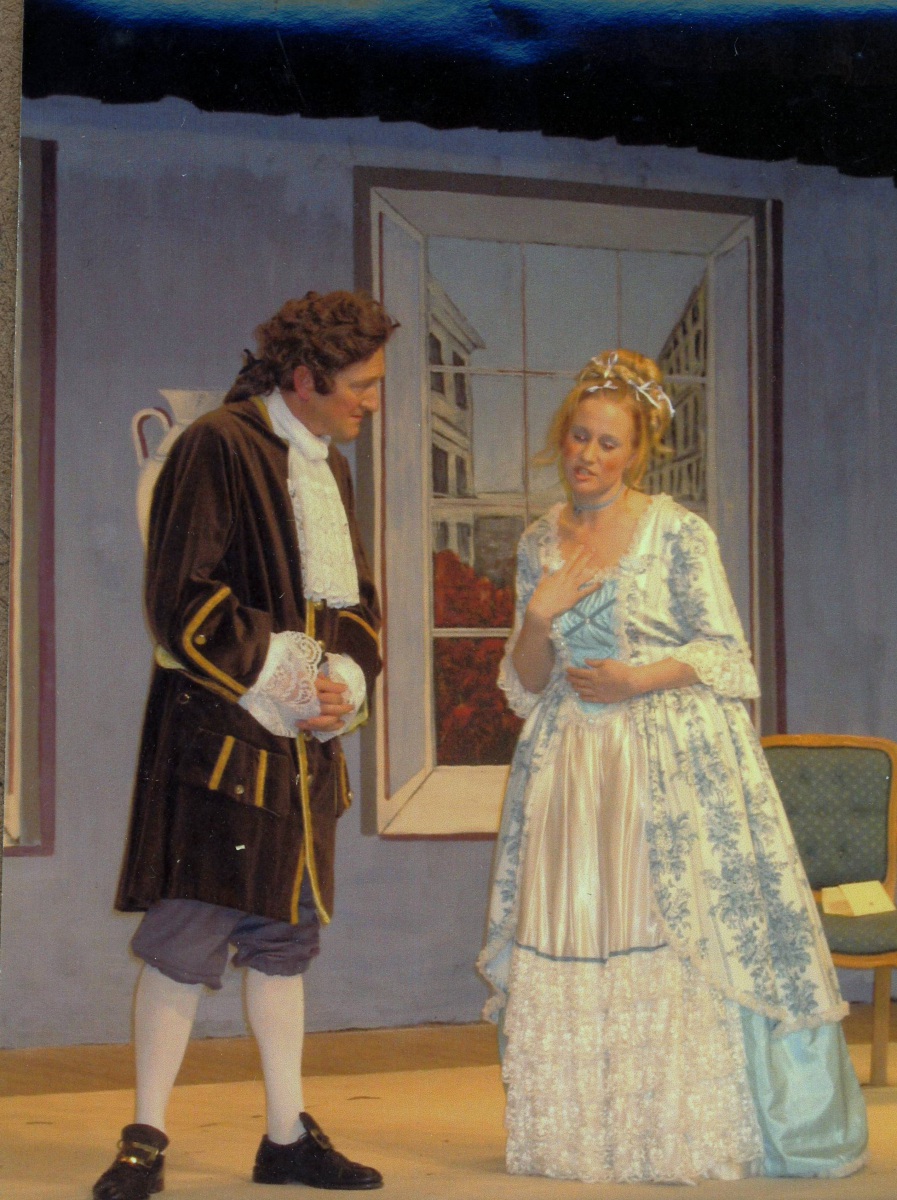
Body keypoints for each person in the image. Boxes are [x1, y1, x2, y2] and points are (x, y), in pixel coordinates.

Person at [477, 349, 868, 1184]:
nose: (587, 454)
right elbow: (526, 683)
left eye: (607, 443)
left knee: (676, 925)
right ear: (562, 437)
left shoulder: (677, 532)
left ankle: (678, 1125)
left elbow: (725, 651)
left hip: (666, 755)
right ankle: (590, 1129)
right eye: (579, 436)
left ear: (635, 452)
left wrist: (637, 679)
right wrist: (538, 618)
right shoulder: (539, 540)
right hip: (571, 769)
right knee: (583, 925)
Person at [94, 291, 396, 1199]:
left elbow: (355, 606)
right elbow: (181, 601)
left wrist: (346, 684)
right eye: (360, 385)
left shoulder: (329, 469)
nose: (370, 401)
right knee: (183, 944)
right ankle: (144, 1138)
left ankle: (285, 1136)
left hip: (302, 756)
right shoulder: (216, 447)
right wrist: (292, 675)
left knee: (282, 945)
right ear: (304, 379)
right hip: (219, 745)